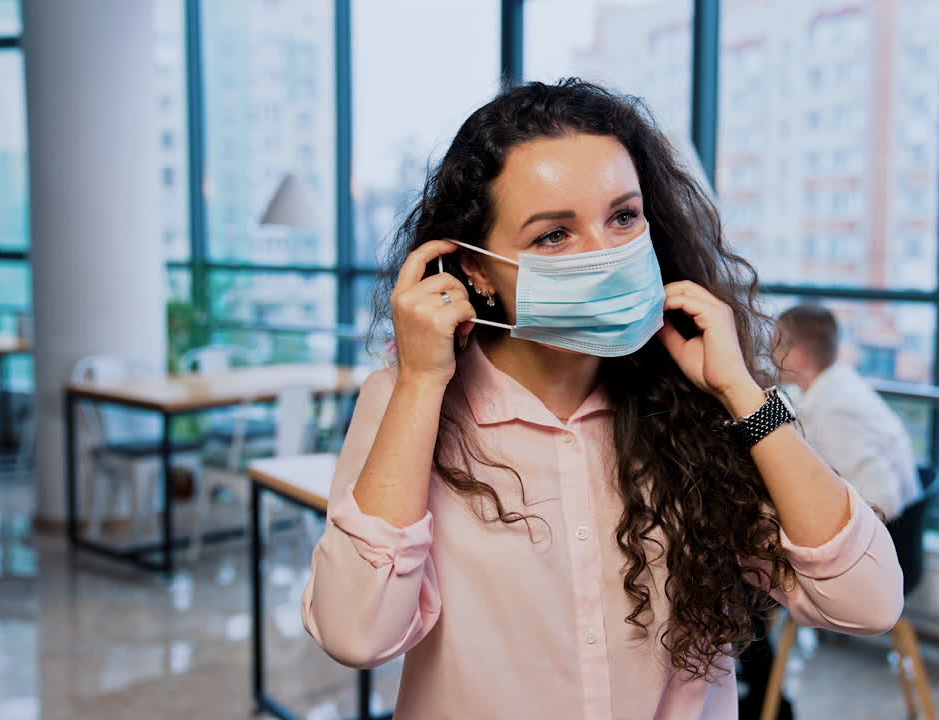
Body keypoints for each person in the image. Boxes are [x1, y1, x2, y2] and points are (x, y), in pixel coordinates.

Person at [302, 79, 902, 719]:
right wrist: (422, 384)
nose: (606, 255)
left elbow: (868, 601)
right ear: (475, 269)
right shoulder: (407, 401)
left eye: (622, 217)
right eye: (553, 235)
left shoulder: (697, 403)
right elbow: (356, 633)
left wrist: (743, 395)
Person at [772, 305, 922, 522]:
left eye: (775, 346)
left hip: (882, 531)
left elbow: (883, 502)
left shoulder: (835, 410)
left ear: (799, 355)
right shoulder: (825, 385)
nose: (770, 355)